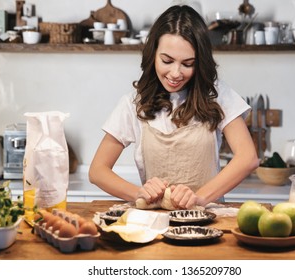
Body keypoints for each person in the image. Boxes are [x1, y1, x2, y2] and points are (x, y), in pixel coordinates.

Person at [89, 5, 258, 209]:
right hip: (154, 223)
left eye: (187, 64)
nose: (176, 73)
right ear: (153, 54)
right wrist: (139, 193)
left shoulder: (218, 95)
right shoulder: (133, 104)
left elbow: (247, 158)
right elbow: (98, 170)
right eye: (167, 61)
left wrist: (200, 198)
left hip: (206, 222)